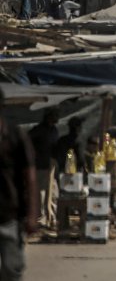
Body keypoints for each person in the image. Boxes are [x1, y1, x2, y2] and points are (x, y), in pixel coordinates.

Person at [0, 90, 37, 280]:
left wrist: (32, 214)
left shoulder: (16, 136)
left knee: (11, 268)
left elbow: (30, 178)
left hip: (9, 216)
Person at [28, 108, 58, 229]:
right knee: (41, 193)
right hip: (40, 165)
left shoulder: (54, 130)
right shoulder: (39, 130)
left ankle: (51, 218)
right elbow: (27, 140)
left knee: (52, 192)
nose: (57, 117)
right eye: (54, 115)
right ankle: (40, 219)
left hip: (51, 165)